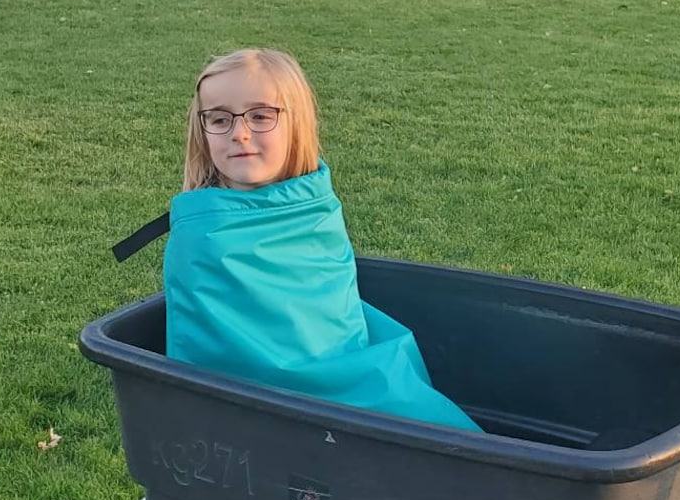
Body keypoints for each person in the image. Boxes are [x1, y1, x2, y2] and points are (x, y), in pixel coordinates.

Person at [163, 47, 480, 431]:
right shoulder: (202, 230)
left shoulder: (315, 211)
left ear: (295, 123)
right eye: (219, 119)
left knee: (421, 425)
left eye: (261, 116)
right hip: (246, 409)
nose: (240, 133)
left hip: (342, 363)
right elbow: (213, 342)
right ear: (202, 129)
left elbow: (328, 316)